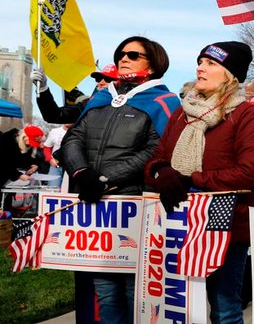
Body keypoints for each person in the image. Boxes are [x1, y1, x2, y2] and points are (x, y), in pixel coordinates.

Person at [145, 41, 254, 324]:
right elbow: (156, 159)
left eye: (211, 63)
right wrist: (162, 172)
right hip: (177, 223)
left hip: (224, 227)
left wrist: (192, 179)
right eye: (200, 62)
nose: (200, 68)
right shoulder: (181, 113)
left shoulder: (245, 114)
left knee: (224, 308)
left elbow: (249, 172)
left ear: (230, 75)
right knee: (178, 306)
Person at [60, 36, 179, 324]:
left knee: (134, 292)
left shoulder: (164, 101)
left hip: (134, 206)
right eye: (121, 54)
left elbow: (157, 150)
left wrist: (105, 179)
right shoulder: (101, 97)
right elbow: (73, 138)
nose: (124, 58)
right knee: (105, 293)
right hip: (94, 207)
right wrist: (82, 173)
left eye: (133, 55)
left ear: (153, 65)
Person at [31, 63, 117, 124]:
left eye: (108, 79)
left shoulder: (124, 106)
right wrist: (43, 88)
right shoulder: (88, 105)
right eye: (98, 79)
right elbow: (54, 116)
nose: (101, 82)